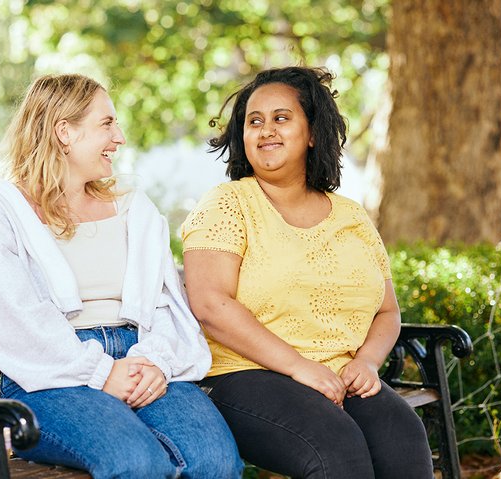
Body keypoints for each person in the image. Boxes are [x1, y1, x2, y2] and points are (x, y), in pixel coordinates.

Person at [0, 74, 242, 479]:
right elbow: (13, 317)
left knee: (215, 462)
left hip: (141, 357)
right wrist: (99, 371)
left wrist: (156, 360)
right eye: (107, 124)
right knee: (136, 463)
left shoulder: (134, 208)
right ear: (64, 132)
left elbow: (164, 302)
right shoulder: (1, 211)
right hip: (52, 373)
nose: (120, 137)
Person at [181, 66, 433, 479]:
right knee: (337, 448)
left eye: (281, 118)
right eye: (254, 122)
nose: (265, 131)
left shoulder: (352, 216)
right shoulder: (227, 204)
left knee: (402, 435)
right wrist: (300, 366)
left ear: (313, 133)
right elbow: (210, 304)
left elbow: (388, 311)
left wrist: (367, 363)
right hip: (245, 376)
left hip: (341, 375)